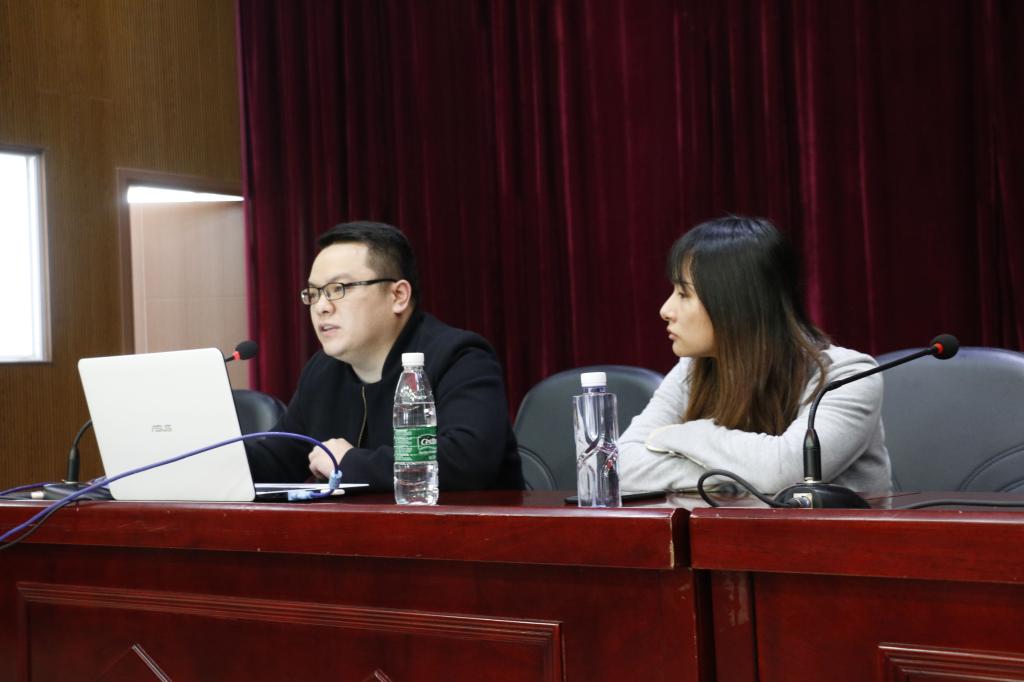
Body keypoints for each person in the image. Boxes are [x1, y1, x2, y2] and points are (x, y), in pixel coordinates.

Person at [618, 216, 891, 495]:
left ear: (736, 302)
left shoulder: (847, 376)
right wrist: (740, 474)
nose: (665, 310)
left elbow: (787, 470)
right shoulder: (693, 368)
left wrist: (682, 435)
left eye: (684, 293)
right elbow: (621, 466)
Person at [246, 221, 523, 491]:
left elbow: (466, 460)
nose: (321, 307)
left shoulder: (460, 357)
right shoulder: (323, 370)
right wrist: (222, 459)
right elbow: (277, 459)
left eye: (338, 289)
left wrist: (350, 464)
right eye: (314, 293)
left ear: (398, 296)